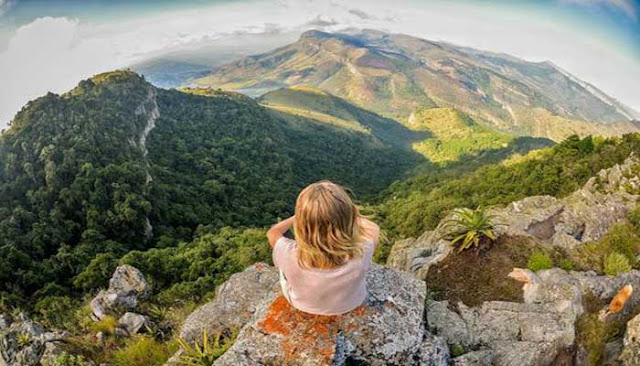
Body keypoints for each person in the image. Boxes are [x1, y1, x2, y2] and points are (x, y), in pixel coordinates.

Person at [266, 180, 380, 315]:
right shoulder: (363, 251)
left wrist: (297, 217)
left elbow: (272, 232)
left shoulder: (288, 252)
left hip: (301, 304)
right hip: (351, 303)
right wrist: (346, 214)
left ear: (303, 223)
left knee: (283, 244)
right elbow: (373, 228)